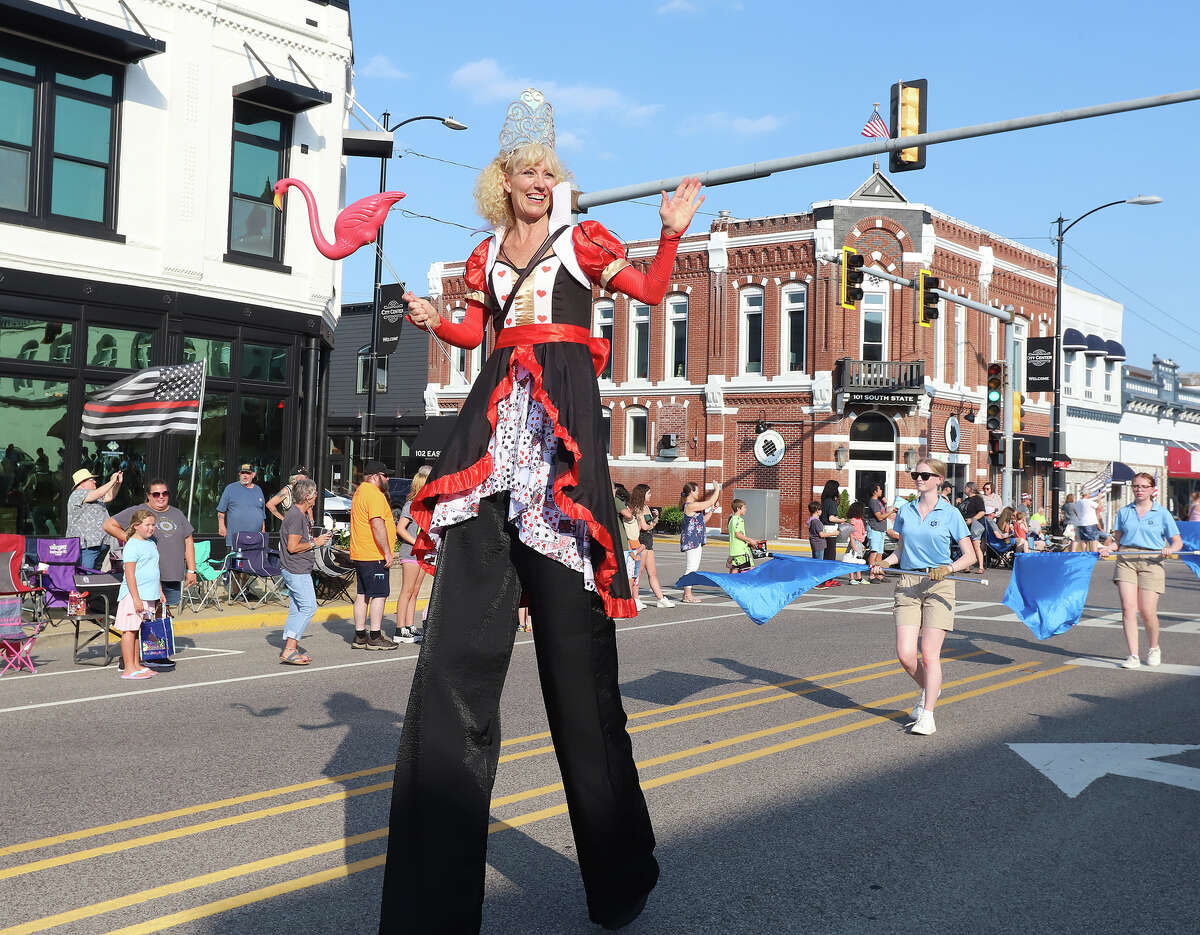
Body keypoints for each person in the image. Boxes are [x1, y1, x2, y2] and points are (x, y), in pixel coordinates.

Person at [382, 89, 704, 933]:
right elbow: (476, 333)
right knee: (450, 669)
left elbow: (654, 285)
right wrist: (432, 319)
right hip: (492, 459)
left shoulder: (579, 242)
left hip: (559, 473)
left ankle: (620, 874)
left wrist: (671, 227)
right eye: (524, 169)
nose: (536, 180)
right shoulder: (487, 254)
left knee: (577, 680)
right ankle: (429, 910)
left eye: (546, 169)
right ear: (501, 178)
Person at [869, 459, 974, 736]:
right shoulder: (905, 510)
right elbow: (899, 552)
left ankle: (927, 714)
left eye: (925, 475)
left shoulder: (951, 513)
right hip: (908, 583)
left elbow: (970, 556)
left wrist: (948, 568)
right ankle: (930, 689)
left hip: (939, 584)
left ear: (939, 479)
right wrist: (885, 563)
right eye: (916, 474)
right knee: (905, 655)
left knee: (929, 654)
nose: (918, 478)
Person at [1099, 472, 1183, 668]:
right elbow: (1117, 541)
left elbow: (1177, 541)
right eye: (1136, 486)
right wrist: (1108, 548)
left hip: (1152, 560)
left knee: (1147, 611)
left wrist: (1170, 549)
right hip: (1126, 559)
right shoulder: (1124, 512)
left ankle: (1154, 647)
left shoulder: (1162, 513)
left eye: (1144, 486)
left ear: (1152, 489)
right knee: (1128, 608)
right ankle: (1133, 655)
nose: (1139, 490)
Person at [103, 480, 196, 611]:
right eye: (156, 494)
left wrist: (192, 570)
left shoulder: (177, 513)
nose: (161, 497)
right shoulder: (139, 511)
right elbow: (108, 525)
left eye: (165, 493)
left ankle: (157, 632)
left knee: (164, 614)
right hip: (147, 576)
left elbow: (188, 540)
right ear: (148, 495)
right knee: (147, 615)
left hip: (172, 574)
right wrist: (132, 540)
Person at [278, 478, 331, 665]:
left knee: (297, 609)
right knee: (309, 607)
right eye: (315, 493)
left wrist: (315, 540)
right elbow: (292, 547)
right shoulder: (296, 516)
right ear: (308, 496)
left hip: (295, 568)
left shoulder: (298, 514)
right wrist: (314, 543)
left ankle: (290, 646)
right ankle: (290, 649)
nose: (317, 496)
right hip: (296, 569)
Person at [349, 461, 401, 650]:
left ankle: (360, 635)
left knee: (362, 594)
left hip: (361, 553)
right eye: (385, 475)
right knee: (379, 595)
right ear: (375, 476)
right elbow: (377, 525)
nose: (388, 479)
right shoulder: (374, 495)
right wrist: (387, 552)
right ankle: (375, 636)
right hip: (374, 554)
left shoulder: (360, 492)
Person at [114, 509, 166, 681]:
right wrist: (136, 598)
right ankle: (128, 667)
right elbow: (129, 574)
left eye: (153, 525)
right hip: (134, 595)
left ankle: (136, 664)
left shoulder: (151, 543)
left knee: (138, 630)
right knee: (129, 630)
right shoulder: (132, 545)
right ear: (136, 526)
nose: (151, 528)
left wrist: (159, 591)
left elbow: (154, 570)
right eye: (147, 525)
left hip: (149, 594)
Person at [395, 466, 432, 643]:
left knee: (415, 591)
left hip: (423, 553)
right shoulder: (411, 504)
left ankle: (409, 625)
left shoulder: (427, 505)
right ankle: (399, 629)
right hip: (410, 552)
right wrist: (416, 542)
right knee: (407, 590)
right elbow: (400, 528)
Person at [66, 468, 122, 569]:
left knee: (96, 575)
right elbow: (98, 493)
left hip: (100, 544)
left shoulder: (92, 495)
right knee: (87, 575)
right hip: (88, 546)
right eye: (91, 480)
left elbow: (109, 496)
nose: (95, 481)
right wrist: (112, 481)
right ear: (82, 484)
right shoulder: (77, 494)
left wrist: (117, 483)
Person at [630, 484, 674, 606]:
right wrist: (652, 524)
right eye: (648, 493)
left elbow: (650, 524)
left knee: (652, 572)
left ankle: (660, 599)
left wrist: (655, 517)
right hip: (640, 541)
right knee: (638, 573)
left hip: (648, 541)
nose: (650, 495)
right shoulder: (637, 508)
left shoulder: (646, 507)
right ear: (642, 494)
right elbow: (644, 526)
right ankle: (635, 599)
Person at [680, 480, 721, 603]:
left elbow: (702, 521)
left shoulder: (694, 506)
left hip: (696, 540)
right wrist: (717, 490)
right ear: (691, 492)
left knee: (694, 566)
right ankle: (687, 595)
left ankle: (686, 594)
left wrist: (712, 510)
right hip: (691, 540)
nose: (698, 493)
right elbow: (709, 502)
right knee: (691, 567)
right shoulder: (690, 505)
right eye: (697, 490)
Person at [217, 464, 266, 546]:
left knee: (254, 559)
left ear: (253, 475)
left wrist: (263, 529)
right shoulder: (230, 488)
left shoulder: (258, 490)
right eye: (243, 473)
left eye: (248, 473)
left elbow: (261, 511)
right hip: (236, 539)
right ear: (239, 474)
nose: (245, 475)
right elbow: (221, 510)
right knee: (237, 558)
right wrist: (221, 526)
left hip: (255, 538)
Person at [616, 485, 645, 609]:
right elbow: (638, 529)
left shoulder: (627, 511)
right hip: (629, 548)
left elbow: (636, 532)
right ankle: (628, 601)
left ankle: (632, 600)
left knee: (633, 576)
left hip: (633, 547)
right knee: (629, 577)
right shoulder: (617, 503)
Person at [807, 501, 840, 588]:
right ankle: (817, 582)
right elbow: (821, 534)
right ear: (817, 510)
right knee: (818, 564)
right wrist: (834, 533)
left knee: (816, 562)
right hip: (819, 544)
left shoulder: (811, 520)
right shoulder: (816, 522)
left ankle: (815, 581)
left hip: (815, 544)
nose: (822, 512)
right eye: (821, 510)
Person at [726, 498, 762, 574]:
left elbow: (735, 536)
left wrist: (746, 542)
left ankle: (730, 585)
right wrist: (750, 540)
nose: (746, 509)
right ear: (738, 508)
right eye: (744, 507)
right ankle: (747, 585)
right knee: (749, 570)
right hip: (741, 551)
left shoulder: (731, 519)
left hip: (735, 551)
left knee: (735, 569)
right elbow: (738, 534)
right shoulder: (738, 519)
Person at [866, 484, 894, 576]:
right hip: (875, 529)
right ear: (875, 491)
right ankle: (872, 574)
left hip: (881, 530)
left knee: (879, 554)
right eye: (879, 489)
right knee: (874, 552)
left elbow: (883, 513)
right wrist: (892, 512)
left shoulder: (878, 502)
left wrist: (885, 504)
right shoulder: (873, 502)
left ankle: (879, 574)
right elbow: (879, 517)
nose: (881, 490)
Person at [959, 482, 986, 573]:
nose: (964, 489)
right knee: (966, 546)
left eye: (965, 487)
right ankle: (966, 565)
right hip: (965, 525)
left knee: (976, 545)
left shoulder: (977, 499)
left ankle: (981, 567)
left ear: (970, 488)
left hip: (975, 525)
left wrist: (972, 519)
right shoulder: (966, 500)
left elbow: (982, 512)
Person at [819, 479, 841, 562]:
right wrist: (841, 520)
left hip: (823, 527)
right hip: (830, 529)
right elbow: (831, 518)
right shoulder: (832, 502)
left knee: (825, 552)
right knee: (831, 553)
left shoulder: (824, 501)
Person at [846, 501, 867, 583]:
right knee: (852, 560)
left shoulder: (860, 520)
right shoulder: (854, 520)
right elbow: (851, 533)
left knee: (858, 560)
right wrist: (853, 544)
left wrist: (861, 544)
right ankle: (851, 578)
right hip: (854, 541)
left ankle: (859, 577)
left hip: (859, 542)